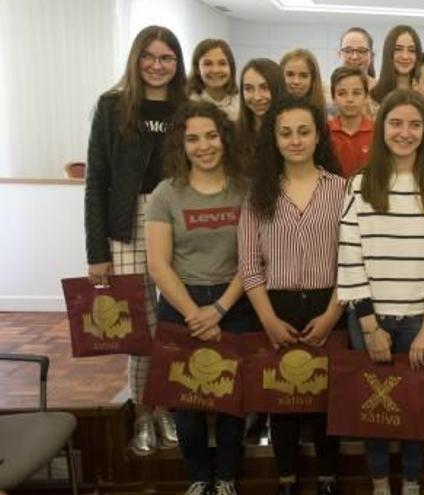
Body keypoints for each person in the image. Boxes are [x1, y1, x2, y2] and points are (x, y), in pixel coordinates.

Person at [337, 89, 424, 495]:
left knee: (413, 409)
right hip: (370, 319)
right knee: (374, 410)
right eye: (396, 123)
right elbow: (350, 255)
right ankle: (379, 485)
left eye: (414, 124)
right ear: (382, 127)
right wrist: (370, 326)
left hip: (422, 322)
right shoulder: (359, 184)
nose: (404, 133)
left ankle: (410, 483)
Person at [85, 24, 187, 456]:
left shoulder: (189, 107)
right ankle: (145, 413)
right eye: (149, 56)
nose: (157, 65)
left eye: (166, 58)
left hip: (179, 223)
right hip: (127, 226)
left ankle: (170, 407)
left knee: (174, 324)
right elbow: (97, 183)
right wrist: (96, 252)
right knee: (139, 330)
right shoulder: (111, 107)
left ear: (177, 64)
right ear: (136, 58)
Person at [238, 96, 346, 495]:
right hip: (274, 306)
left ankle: (328, 478)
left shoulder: (341, 189)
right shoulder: (258, 193)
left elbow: (352, 260)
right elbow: (249, 264)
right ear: (274, 139)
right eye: (286, 133)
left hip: (327, 305)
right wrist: (266, 319)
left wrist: (333, 314)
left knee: (326, 400)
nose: (295, 140)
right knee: (280, 400)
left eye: (304, 131)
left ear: (319, 135)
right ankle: (286, 480)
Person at [145, 101, 253, 495]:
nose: (204, 145)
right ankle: (197, 478)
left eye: (211, 135)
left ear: (224, 138)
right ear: (181, 144)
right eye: (193, 138)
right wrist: (195, 314)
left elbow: (255, 257)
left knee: (231, 397)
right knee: (186, 399)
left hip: (235, 301)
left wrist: (221, 308)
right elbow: (158, 264)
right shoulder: (165, 194)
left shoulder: (246, 189)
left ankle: (225, 477)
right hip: (181, 303)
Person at [328, 66, 374, 177]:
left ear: (366, 96)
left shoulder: (378, 132)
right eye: (342, 93)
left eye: (356, 93)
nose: (349, 99)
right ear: (333, 97)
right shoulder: (325, 131)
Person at [237, 58, 286, 157]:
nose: (257, 97)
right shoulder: (234, 134)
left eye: (264, 87)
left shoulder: (290, 134)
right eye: (248, 88)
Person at [370, 25, 422, 109]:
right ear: (388, 53)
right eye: (398, 49)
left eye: (411, 50)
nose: (405, 56)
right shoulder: (372, 97)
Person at [187, 39, 239, 121]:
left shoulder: (242, 104)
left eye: (222, 63)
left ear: (231, 68)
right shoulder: (187, 104)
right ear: (197, 68)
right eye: (208, 64)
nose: (215, 70)